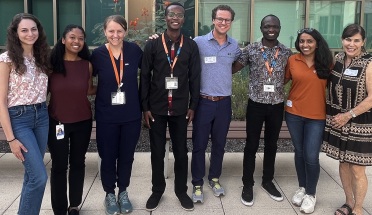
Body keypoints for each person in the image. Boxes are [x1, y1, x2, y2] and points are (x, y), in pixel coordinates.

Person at [140, 2, 201, 211]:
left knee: (181, 151)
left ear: (184, 19)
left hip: (181, 108)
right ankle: (157, 191)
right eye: (171, 14)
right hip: (156, 107)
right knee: (157, 152)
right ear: (165, 18)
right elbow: (145, 77)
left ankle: (181, 191)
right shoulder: (153, 45)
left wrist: (193, 105)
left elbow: (195, 77)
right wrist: (144, 107)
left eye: (180, 15)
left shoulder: (191, 46)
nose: (175, 17)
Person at [232, 14, 292, 206]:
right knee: (251, 145)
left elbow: (290, 74)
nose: (270, 29)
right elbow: (233, 68)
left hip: (276, 105)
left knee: (271, 145)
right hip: (256, 104)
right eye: (267, 26)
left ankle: (267, 181)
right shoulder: (251, 50)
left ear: (279, 28)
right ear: (261, 28)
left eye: (274, 26)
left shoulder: (286, 52)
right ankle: (247, 184)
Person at [90, 15, 143, 215]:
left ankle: (123, 191)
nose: (115, 35)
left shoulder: (134, 51)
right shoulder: (97, 55)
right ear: (105, 32)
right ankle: (109, 193)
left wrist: (156, 40)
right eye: (111, 31)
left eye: (119, 31)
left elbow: (150, 69)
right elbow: (86, 80)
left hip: (131, 115)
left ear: (125, 32)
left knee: (127, 156)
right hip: (106, 116)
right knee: (108, 156)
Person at [191, 5, 241, 204]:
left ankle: (214, 178)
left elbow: (237, 64)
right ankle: (196, 182)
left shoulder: (234, 45)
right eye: (220, 19)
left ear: (231, 23)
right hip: (204, 102)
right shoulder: (199, 42)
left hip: (224, 103)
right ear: (213, 20)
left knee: (219, 144)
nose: (223, 23)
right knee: (199, 145)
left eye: (227, 20)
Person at [0, 13, 50, 215]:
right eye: (24, 30)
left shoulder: (42, 56)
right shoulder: (7, 59)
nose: (30, 33)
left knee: (31, 177)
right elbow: (1, 101)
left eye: (33, 29)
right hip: (19, 119)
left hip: (42, 116)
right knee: (39, 177)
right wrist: (10, 139)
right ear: (16, 33)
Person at [323, 24, 372, 215]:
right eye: (348, 39)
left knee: (357, 169)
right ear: (342, 40)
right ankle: (349, 203)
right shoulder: (338, 59)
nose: (351, 44)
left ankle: (358, 209)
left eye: (356, 40)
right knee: (343, 164)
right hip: (338, 120)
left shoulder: (369, 63)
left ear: (363, 42)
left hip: (359, 122)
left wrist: (348, 115)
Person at [48, 24, 96, 215]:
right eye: (72, 37)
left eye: (81, 38)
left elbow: (89, 90)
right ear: (63, 40)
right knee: (59, 165)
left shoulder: (87, 65)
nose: (77, 41)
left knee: (78, 162)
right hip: (57, 121)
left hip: (82, 121)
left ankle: (74, 205)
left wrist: (111, 88)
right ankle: (59, 209)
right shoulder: (51, 65)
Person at [284, 28, 333, 214]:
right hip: (293, 113)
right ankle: (302, 187)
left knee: (311, 156)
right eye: (302, 41)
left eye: (309, 41)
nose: (305, 45)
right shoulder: (292, 60)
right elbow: (282, 80)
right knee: (299, 151)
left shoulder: (327, 62)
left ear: (317, 43)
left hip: (317, 117)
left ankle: (311, 194)